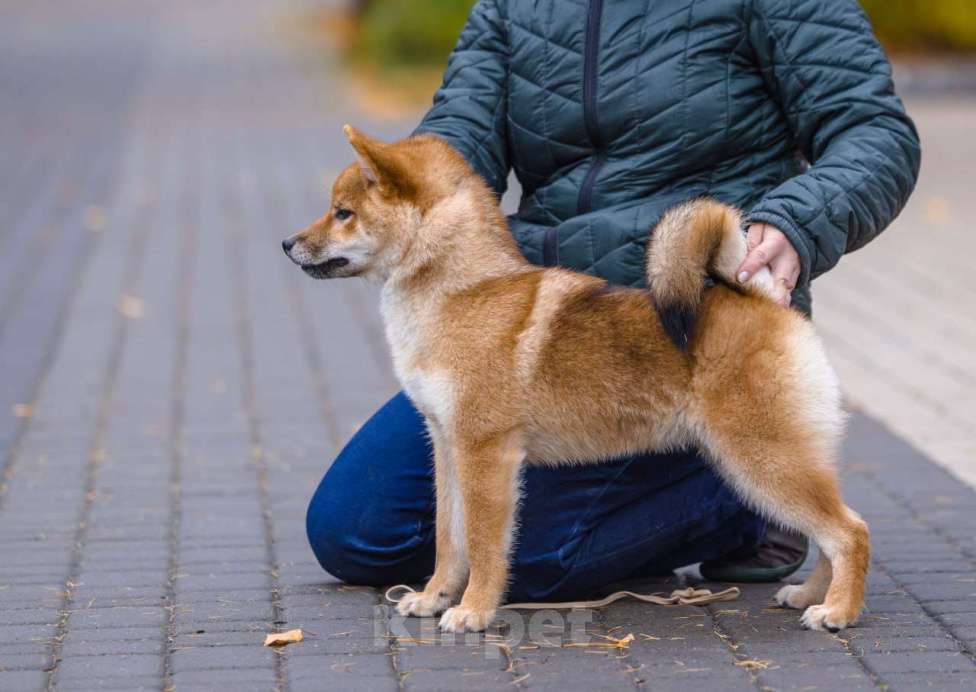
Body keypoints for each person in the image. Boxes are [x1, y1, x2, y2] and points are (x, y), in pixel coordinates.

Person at [306, 0, 920, 601]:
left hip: (696, 327)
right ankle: (706, 491)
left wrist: (794, 223)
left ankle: (749, 501)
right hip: (544, 332)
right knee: (354, 533)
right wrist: (396, 189)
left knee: (531, 560)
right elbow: (456, 142)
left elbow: (873, 131)